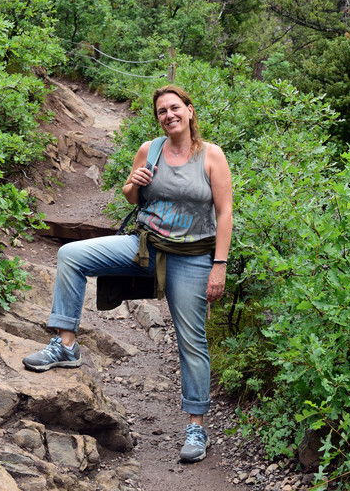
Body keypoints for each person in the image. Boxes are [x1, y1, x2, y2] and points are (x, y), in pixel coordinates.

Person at [23, 84, 233, 463]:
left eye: (174, 108)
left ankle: (196, 427)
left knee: (192, 341)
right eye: (161, 112)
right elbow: (132, 196)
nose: (168, 116)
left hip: (192, 256)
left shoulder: (211, 157)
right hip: (145, 246)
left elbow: (226, 213)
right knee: (71, 254)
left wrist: (219, 266)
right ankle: (66, 346)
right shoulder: (149, 150)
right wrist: (131, 186)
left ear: (189, 110)